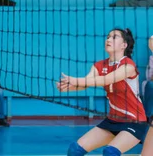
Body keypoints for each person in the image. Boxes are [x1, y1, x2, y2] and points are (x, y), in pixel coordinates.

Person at [57, 28, 148, 156]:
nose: (108, 40)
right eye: (108, 37)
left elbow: (106, 79)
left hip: (134, 121)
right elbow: (87, 82)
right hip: (113, 120)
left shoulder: (128, 65)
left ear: (124, 45)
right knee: (75, 150)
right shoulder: (99, 65)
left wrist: (74, 80)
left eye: (114, 37)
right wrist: (71, 86)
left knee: (110, 152)